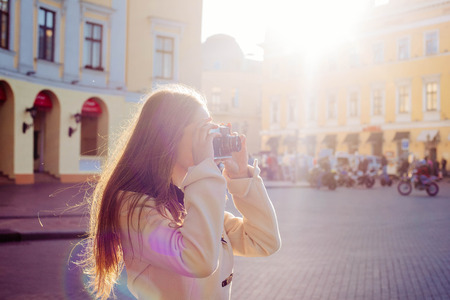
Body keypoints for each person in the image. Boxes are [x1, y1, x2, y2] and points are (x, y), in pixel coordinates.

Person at [79, 84, 281, 300]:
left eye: (212, 130)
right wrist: (205, 170)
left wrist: (241, 177)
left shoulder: (187, 200)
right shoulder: (132, 208)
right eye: (203, 131)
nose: (211, 139)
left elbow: (264, 241)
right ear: (168, 136)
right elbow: (197, 260)